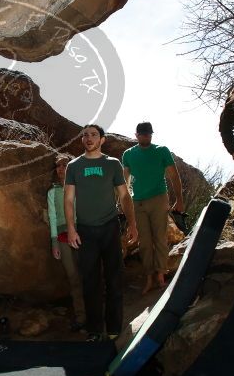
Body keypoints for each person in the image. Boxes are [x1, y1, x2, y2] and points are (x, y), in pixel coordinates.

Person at [65, 124, 138, 342]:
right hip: (85, 230)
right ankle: (95, 330)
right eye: (85, 135)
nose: (88, 138)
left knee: (114, 279)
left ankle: (114, 328)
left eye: (94, 135)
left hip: (109, 227)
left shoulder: (112, 164)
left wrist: (133, 224)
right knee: (90, 282)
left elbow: (124, 196)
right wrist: (71, 228)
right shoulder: (73, 166)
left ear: (102, 140)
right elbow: (68, 200)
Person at [122, 122, 184, 295]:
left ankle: (161, 274)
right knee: (145, 242)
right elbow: (124, 182)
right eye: (142, 134)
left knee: (160, 237)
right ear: (136, 135)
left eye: (148, 134)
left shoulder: (161, 150)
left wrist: (179, 199)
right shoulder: (128, 154)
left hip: (158, 198)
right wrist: (122, 204)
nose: (145, 136)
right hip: (138, 202)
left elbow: (173, 175)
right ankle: (149, 276)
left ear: (151, 134)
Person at [47, 153, 85, 331]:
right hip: (63, 237)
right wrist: (54, 242)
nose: (61, 169)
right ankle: (81, 317)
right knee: (73, 277)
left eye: (64, 165)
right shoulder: (53, 192)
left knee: (89, 274)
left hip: (82, 234)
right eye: (58, 166)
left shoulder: (79, 187)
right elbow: (53, 217)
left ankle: (96, 313)